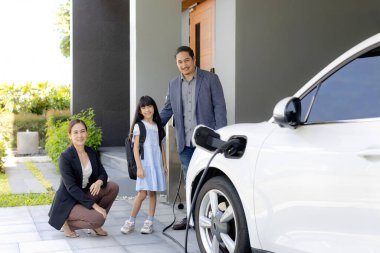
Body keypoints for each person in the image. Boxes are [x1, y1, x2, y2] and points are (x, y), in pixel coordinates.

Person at [160, 46, 227, 230]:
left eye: (186, 60)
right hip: (185, 143)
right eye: (180, 62)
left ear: (193, 59)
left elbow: (220, 109)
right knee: (190, 181)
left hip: (207, 142)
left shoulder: (210, 79)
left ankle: (215, 217)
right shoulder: (173, 84)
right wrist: (149, 125)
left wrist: (220, 139)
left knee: (209, 179)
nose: (184, 65)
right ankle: (191, 218)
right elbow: (167, 110)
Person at [48, 119, 119, 238]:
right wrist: (96, 207)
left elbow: (103, 173)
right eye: (75, 132)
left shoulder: (91, 152)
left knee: (113, 187)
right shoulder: (65, 157)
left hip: (85, 194)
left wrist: (99, 181)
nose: (80, 135)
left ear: (87, 133)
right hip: (69, 200)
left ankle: (93, 221)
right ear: (70, 135)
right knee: (98, 218)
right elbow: (71, 188)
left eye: (82, 131)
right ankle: (65, 221)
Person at [120, 95, 167, 234]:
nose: (147, 109)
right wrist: (139, 167)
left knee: (153, 193)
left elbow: (161, 146)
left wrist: (164, 164)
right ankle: (131, 221)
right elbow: (135, 148)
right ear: (140, 111)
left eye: (149, 106)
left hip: (156, 163)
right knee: (141, 194)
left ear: (154, 108)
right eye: (144, 107)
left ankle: (149, 222)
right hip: (145, 164)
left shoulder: (158, 125)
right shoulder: (138, 126)